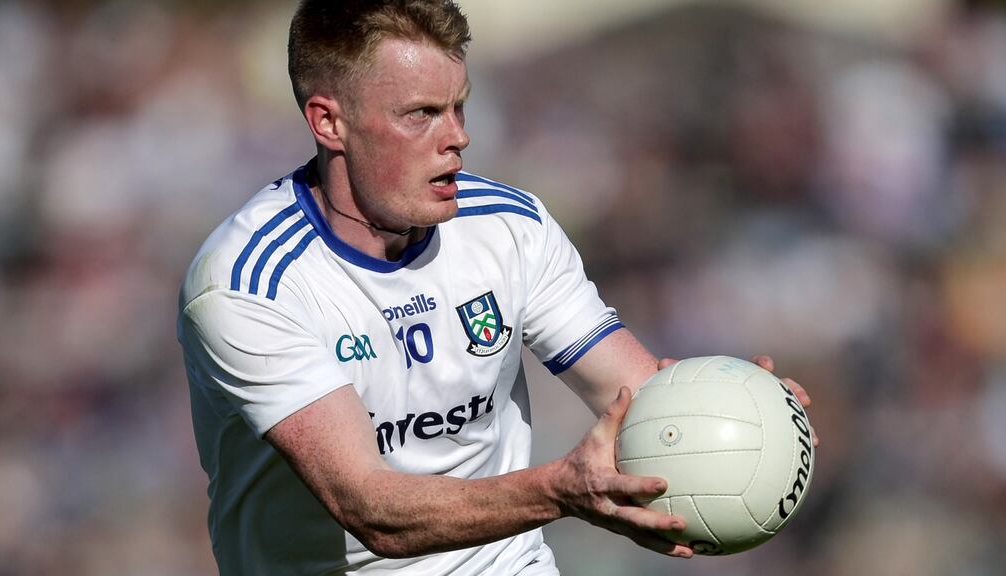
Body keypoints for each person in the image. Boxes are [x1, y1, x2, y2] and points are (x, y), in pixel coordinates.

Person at [178, 1, 816, 574]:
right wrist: (558, 491)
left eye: (458, 105)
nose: (457, 136)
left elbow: (634, 397)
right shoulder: (248, 283)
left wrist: (734, 414)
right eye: (421, 114)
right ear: (329, 122)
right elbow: (370, 508)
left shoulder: (509, 226)